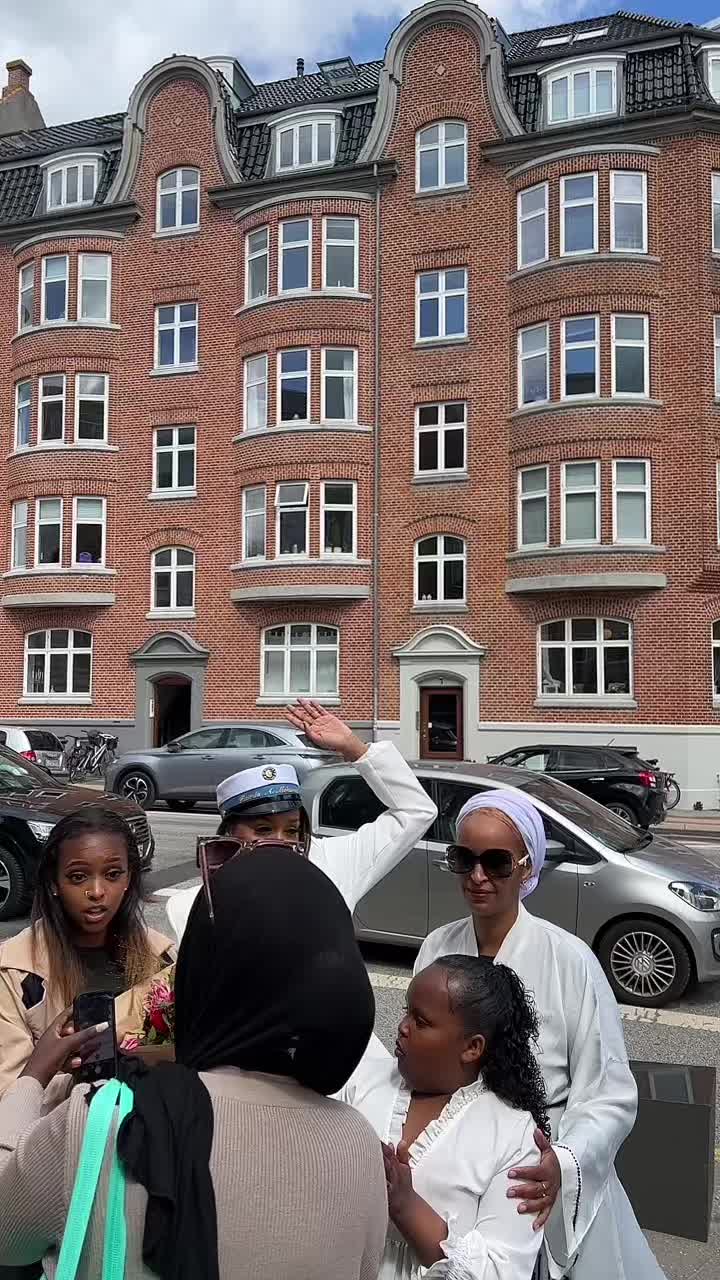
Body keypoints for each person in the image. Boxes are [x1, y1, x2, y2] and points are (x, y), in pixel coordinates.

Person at [0, 847, 386, 1280]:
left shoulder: (104, 1122)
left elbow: (6, 1234)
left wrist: (33, 1077)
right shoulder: (360, 1145)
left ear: (200, 971)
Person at [414, 789, 666, 1280]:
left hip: (535, 1169)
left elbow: (609, 1092)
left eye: (496, 863)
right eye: (463, 859)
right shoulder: (437, 949)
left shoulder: (570, 961)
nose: (478, 876)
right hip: (457, 1161)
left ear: (527, 867)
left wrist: (563, 1163)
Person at [340, 955, 548, 1279]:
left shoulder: (512, 1136)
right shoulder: (362, 1083)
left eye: (421, 1021)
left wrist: (405, 1205)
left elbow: (501, 1270)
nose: (403, 1027)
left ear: (472, 1047)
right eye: (406, 1011)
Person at [166, 699, 437, 944]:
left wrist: (354, 747)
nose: (280, 842)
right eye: (263, 829)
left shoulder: (334, 862)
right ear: (230, 831)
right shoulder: (187, 907)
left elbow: (416, 811)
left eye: (292, 829)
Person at [0, 805, 174, 1098]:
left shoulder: (162, 958)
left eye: (113, 874)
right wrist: (60, 1070)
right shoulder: (14, 972)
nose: (97, 891)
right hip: (58, 1123)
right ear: (54, 883)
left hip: (150, 1118)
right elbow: (8, 1096)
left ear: (129, 878)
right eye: (78, 877)